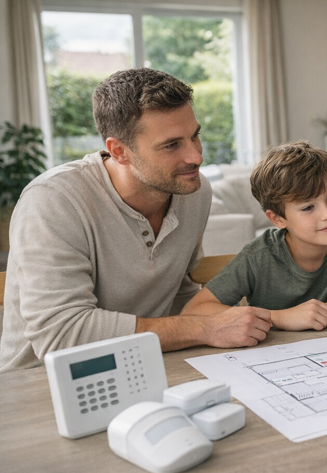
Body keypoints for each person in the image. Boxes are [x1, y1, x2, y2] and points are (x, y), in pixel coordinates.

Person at [0, 68, 273, 371]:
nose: (196, 156)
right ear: (119, 151)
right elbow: (62, 335)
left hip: (148, 365)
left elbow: (179, 294)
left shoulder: (193, 191)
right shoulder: (52, 201)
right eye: (172, 145)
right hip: (39, 384)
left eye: (194, 136)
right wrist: (205, 328)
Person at [181, 141, 327, 330]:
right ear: (277, 219)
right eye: (308, 207)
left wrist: (311, 314)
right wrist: (281, 317)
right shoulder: (258, 256)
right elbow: (193, 312)